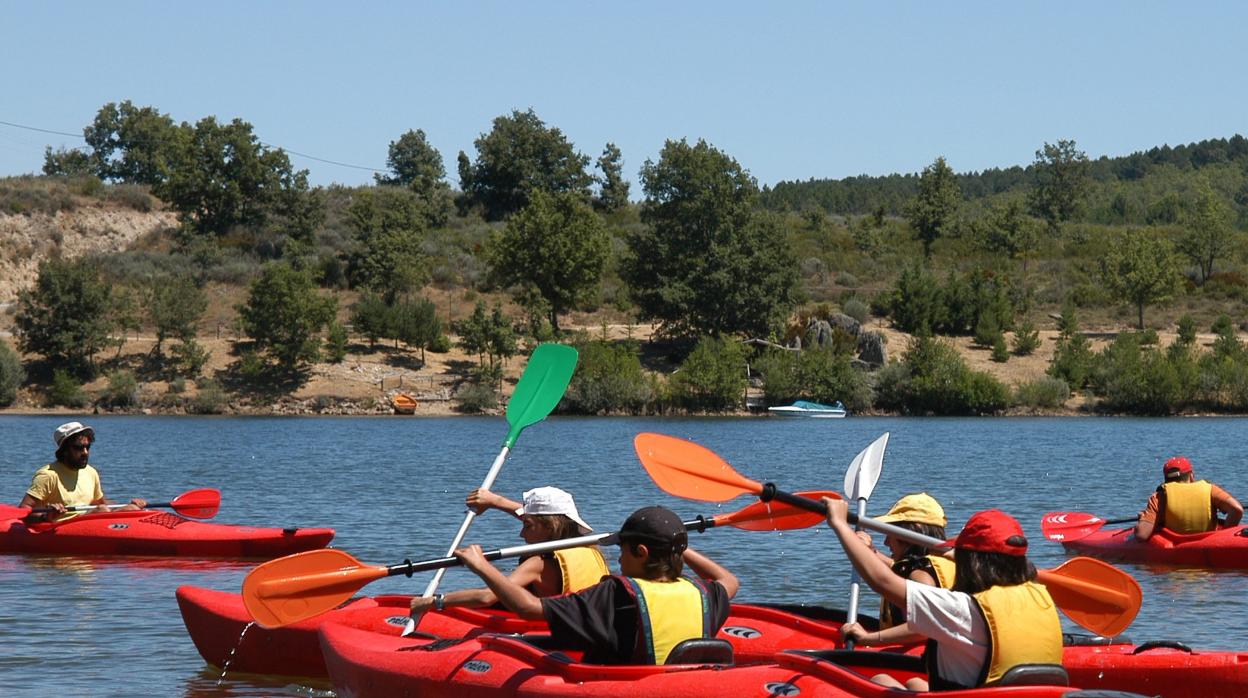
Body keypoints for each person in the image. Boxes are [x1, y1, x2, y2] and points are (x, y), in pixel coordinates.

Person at [454, 505, 739, 665]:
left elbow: (527, 608)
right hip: (681, 683)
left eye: (624, 550)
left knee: (508, 649)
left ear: (641, 552)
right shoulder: (706, 593)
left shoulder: (615, 594)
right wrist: (673, 544)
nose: (618, 556)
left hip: (618, 685)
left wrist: (481, 566)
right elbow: (730, 580)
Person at [825, 498, 1062, 691]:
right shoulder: (1041, 597)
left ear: (973, 562)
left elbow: (882, 581)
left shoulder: (962, 610)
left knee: (879, 681)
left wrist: (840, 525)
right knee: (915, 683)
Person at [409, 486, 609, 616]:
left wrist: (434, 602)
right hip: (586, 623)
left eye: (527, 526)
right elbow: (537, 517)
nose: (521, 534)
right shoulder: (590, 548)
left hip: (549, 629)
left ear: (549, 528)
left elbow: (486, 597)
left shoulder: (538, 563)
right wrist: (495, 501)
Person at [841, 493, 954, 648]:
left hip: (919, 659)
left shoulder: (920, 574)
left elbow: (925, 627)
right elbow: (895, 567)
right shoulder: (941, 561)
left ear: (912, 531)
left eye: (890, 533)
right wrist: (870, 551)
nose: (886, 542)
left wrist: (869, 638)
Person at [19, 421, 145, 522]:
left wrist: (127, 505)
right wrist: (46, 516)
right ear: (65, 450)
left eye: (87, 447)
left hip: (90, 519)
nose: (85, 452)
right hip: (61, 527)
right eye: (79, 448)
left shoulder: (91, 472)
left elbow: (100, 503)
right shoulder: (48, 475)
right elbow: (24, 510)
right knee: (102, 511)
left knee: (133, 509)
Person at [1135, 456, 1243, 541]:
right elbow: (1237, 509)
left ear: (1166, 479)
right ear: (1191, 476)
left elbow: (1142, 535)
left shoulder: (1159, 496)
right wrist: (1223, 536)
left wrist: (1143, 519)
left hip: (1177, 547)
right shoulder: (1211, 489)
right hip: (1209, 542)